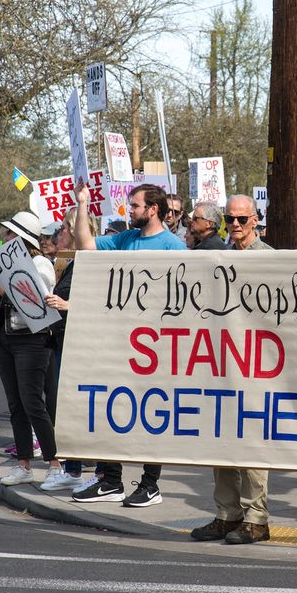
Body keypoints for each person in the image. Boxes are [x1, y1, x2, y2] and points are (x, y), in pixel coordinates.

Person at [70, 183, 186, 506]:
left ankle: (150, 485)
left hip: (155, 348)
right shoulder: (126, 238)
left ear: (153, 209)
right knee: (112, 408)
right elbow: (85, 246)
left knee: (152, 415)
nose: (129, 210)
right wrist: (83, 204)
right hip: (121, 342)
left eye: (134, 205)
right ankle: (111, 481)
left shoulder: (174, 247)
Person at [190, 194, 273, 545]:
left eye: (241, 218)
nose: (235, 224)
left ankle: (256, 520)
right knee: (221, 441)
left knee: (252, 443)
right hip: (220, 363)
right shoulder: (218, 258)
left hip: (255, 366)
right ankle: (227, 515)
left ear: (255, 219)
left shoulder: (270, 259)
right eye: (230, 219)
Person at [0, 211, 63, 487]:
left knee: (33, 404)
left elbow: (39, 301)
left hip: (33, 340)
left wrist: (4, 291)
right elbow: (1, 305)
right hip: (8, 340)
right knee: (16, 405)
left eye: (10, 233)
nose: (4, 237)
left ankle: (55, 465)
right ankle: (24, 465)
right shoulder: (7, 264)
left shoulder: (41, 264)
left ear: (22, 237)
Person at [40, 208, 96, 491]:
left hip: (79, 345)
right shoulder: (71, 263)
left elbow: (99, 302)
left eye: (62, 228)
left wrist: (67, 305)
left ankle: (87, 468)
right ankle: (72, 468)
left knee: (77, 407)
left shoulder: (90, 263)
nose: (57, 234)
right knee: (66, 407)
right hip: (63, 341)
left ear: (74, 230)